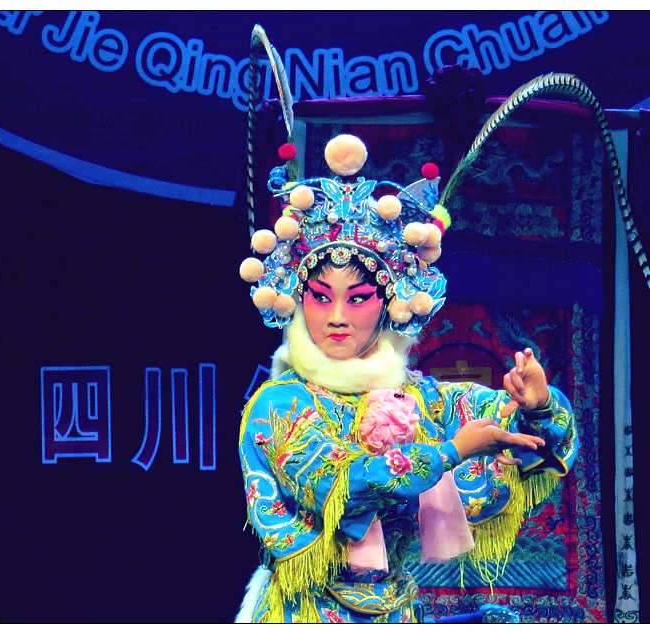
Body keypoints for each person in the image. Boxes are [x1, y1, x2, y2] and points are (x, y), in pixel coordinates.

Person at [236, 134, 578, 623]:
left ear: (387, 304)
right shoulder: (279, 404)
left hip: (395, 611)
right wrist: (450, 453)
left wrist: (537, 407)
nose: (337, 316)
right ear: (298, 297)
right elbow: (342, 486)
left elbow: (514, 432)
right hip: (305, 614)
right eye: (320, 296)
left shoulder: (417, 397)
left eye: (357, 298)